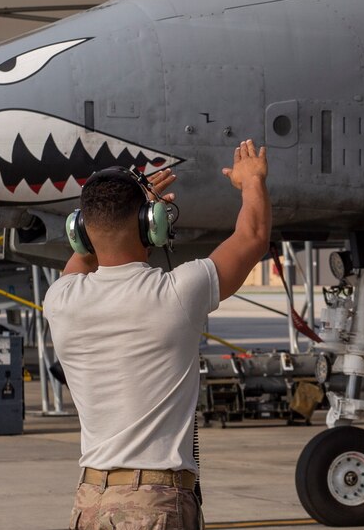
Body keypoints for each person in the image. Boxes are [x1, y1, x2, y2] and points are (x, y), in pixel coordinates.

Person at [44, 140, 271, 529]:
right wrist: (252, 181)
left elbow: (85, 252)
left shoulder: (60, 299)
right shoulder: (179, 293)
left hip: (89, 501)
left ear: (79, 230)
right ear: (152, 225)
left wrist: (131, 215)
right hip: (154, 504)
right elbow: (253, 237)